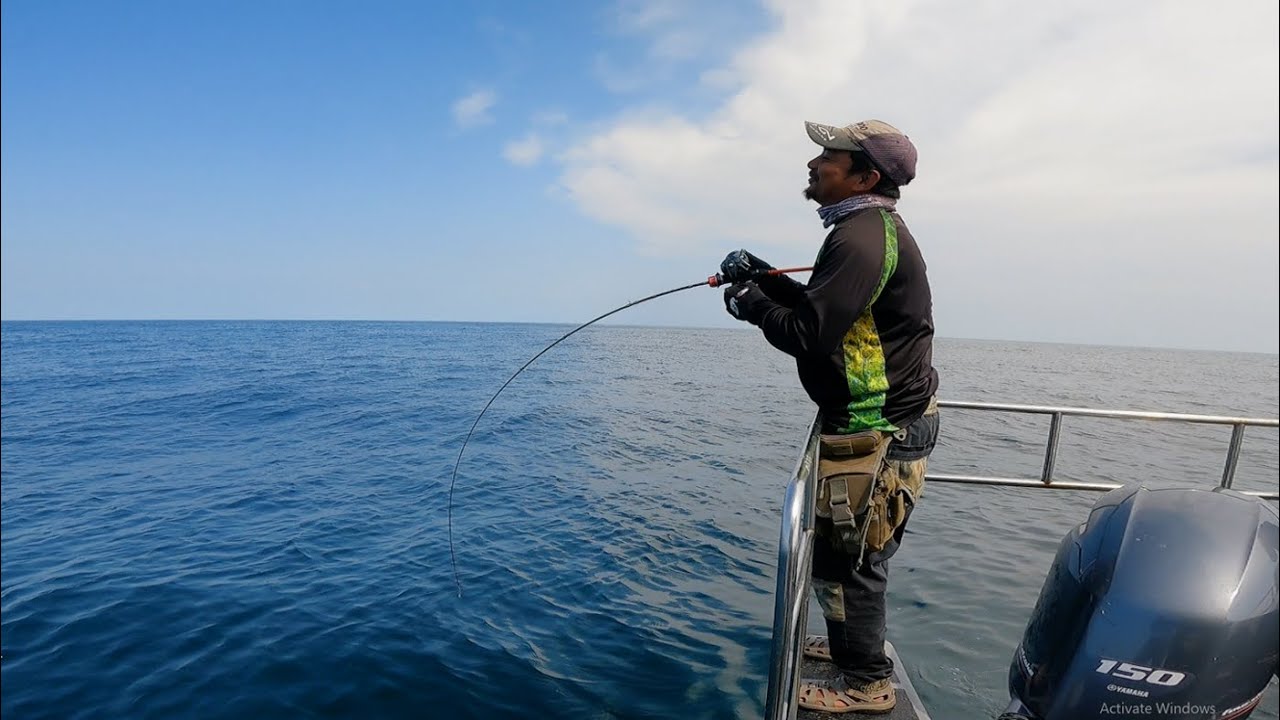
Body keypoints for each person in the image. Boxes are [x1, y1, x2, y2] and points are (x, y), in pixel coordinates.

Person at [719, 119, 940, 714]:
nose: (815, 164)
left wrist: (750, 302)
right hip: (867, 421)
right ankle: (849, 647)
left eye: (829, 156)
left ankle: (867, 683)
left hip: (879, 429)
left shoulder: (861, 238)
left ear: (865, 176)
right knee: (840, 554)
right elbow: (830, 311)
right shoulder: (864, 229)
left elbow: (811, 336)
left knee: (856, 560)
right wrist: (764, 278)